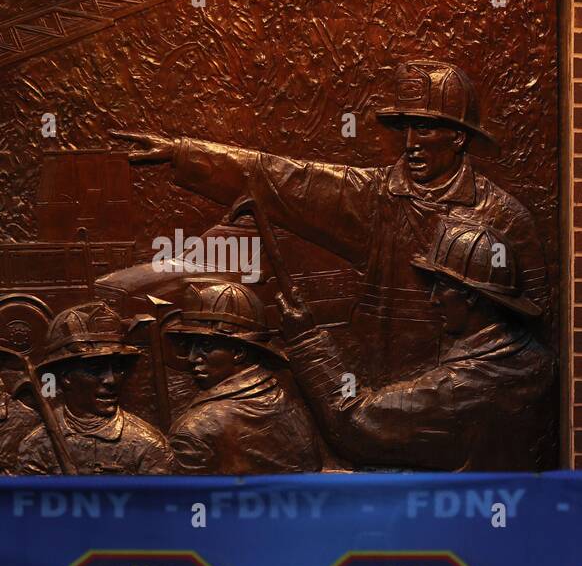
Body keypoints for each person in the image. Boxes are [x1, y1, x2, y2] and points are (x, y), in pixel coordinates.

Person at [111, 60, 550, 384]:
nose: (411, 143)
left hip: (469, 392)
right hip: (383, 379)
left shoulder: (503, 216)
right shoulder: (377, 196)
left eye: (426, 129)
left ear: (458, 137)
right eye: (406, 129)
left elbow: (536, 318)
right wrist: (183, 152)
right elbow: (281, 176)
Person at [276, 219, 556, 471]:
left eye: (441, 287)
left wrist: (306, 339)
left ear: (471, 297)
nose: (433, 299)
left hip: (464, 522)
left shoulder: (460, 385)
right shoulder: (539, 362)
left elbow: (354, 420)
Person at [164, 280, 322, 474]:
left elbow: (185, 500)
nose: (192, 358)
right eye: (189, 346)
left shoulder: (195, 430)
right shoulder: (286, 400)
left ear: (239, 352)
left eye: (205, 346)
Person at [17, 302, 173, 474]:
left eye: (117, 368)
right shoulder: (37, 446)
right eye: (96, 369)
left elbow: (160, 500)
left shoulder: (148, 446)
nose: (111, 380)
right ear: (65, 377)